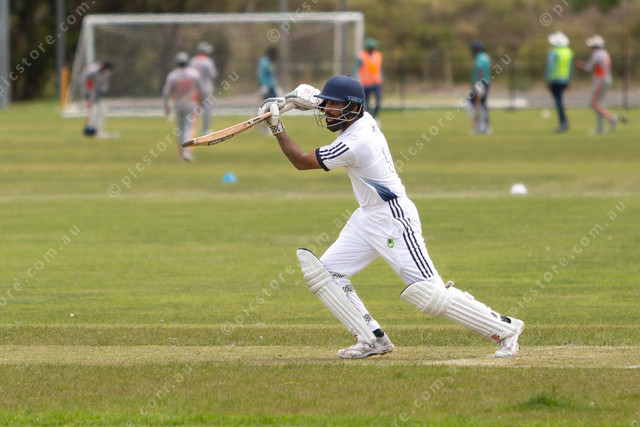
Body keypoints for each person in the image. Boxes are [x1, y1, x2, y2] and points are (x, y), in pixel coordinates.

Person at [258, 75, 524, 359]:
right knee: (325, 275)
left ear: (354, 108)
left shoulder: (355, 143)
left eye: (335, 106)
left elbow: (301, 162)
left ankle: (505, 329)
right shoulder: (361, 116)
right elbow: (317, 98)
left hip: (392, 217)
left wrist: (277, 127)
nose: (328, 111)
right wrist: (290, 101)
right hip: (366, 217)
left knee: (428, 293)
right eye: (327, 105)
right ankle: (371, 339)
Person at [575, 35, 625, 133]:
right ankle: (600, 128)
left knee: (594, 104)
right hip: (606, 79)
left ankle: (611, 118)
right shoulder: (605, 53)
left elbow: (589, 68)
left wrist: (580, 65)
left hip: (600, 80)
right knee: (599, 104)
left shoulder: (596, 54)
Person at [163, 52, 203, 162]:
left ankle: (182, 153)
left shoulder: (173, 75)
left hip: (178, 104)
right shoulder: (194, 74)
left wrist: (166, 106)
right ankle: (186, 152)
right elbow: (200, 89)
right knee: (188, 128)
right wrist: (201, 101)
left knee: (180, 129)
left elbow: (166, 92)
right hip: (190, 103)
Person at [545, 31, 574, 133]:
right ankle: (564, 121)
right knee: (560, 101)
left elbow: (550, 66)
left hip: (555, 80)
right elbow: (570, 68)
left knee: (558, 102)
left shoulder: (554, 51)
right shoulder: (568, 51)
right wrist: (569, 79)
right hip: (565, 80)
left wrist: (547, 79)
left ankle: (563, 122)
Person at [189, 41, 218, 135]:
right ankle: (205, 130)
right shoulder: (208, 61)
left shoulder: (193, 61)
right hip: (206, 88)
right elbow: (213, 74)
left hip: (194, 89)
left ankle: (190, 129)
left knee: (193, 109)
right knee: (207, 109)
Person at [81, 61, 112, 137]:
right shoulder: (92, 70)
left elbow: (105, 84)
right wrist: (87, 92)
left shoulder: (106, 73)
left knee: (101, 110)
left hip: (97, 93)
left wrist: (101, 91)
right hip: (89, 92)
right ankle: (89, 129)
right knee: (91, 110)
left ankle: (96, 129)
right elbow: (84, 79)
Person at [357, 37, 383, 119]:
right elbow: (356, 68)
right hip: (366, 82)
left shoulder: (378, 55)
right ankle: (369, 118)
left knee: (378, 101)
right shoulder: (361, 55)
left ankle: (374, 117)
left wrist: (382, 79)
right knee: (367, 102)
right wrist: (357, 80)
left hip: (376, 82)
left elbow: (380, 68)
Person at [469, 42, 491, 134]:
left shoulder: (480, 57)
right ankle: (483, 126)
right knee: (481, 103)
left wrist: (478, 84)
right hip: (485, 82)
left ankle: (481, 126)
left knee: (476, 103)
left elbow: (480, 70)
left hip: (480, 83)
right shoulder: (486, 56)